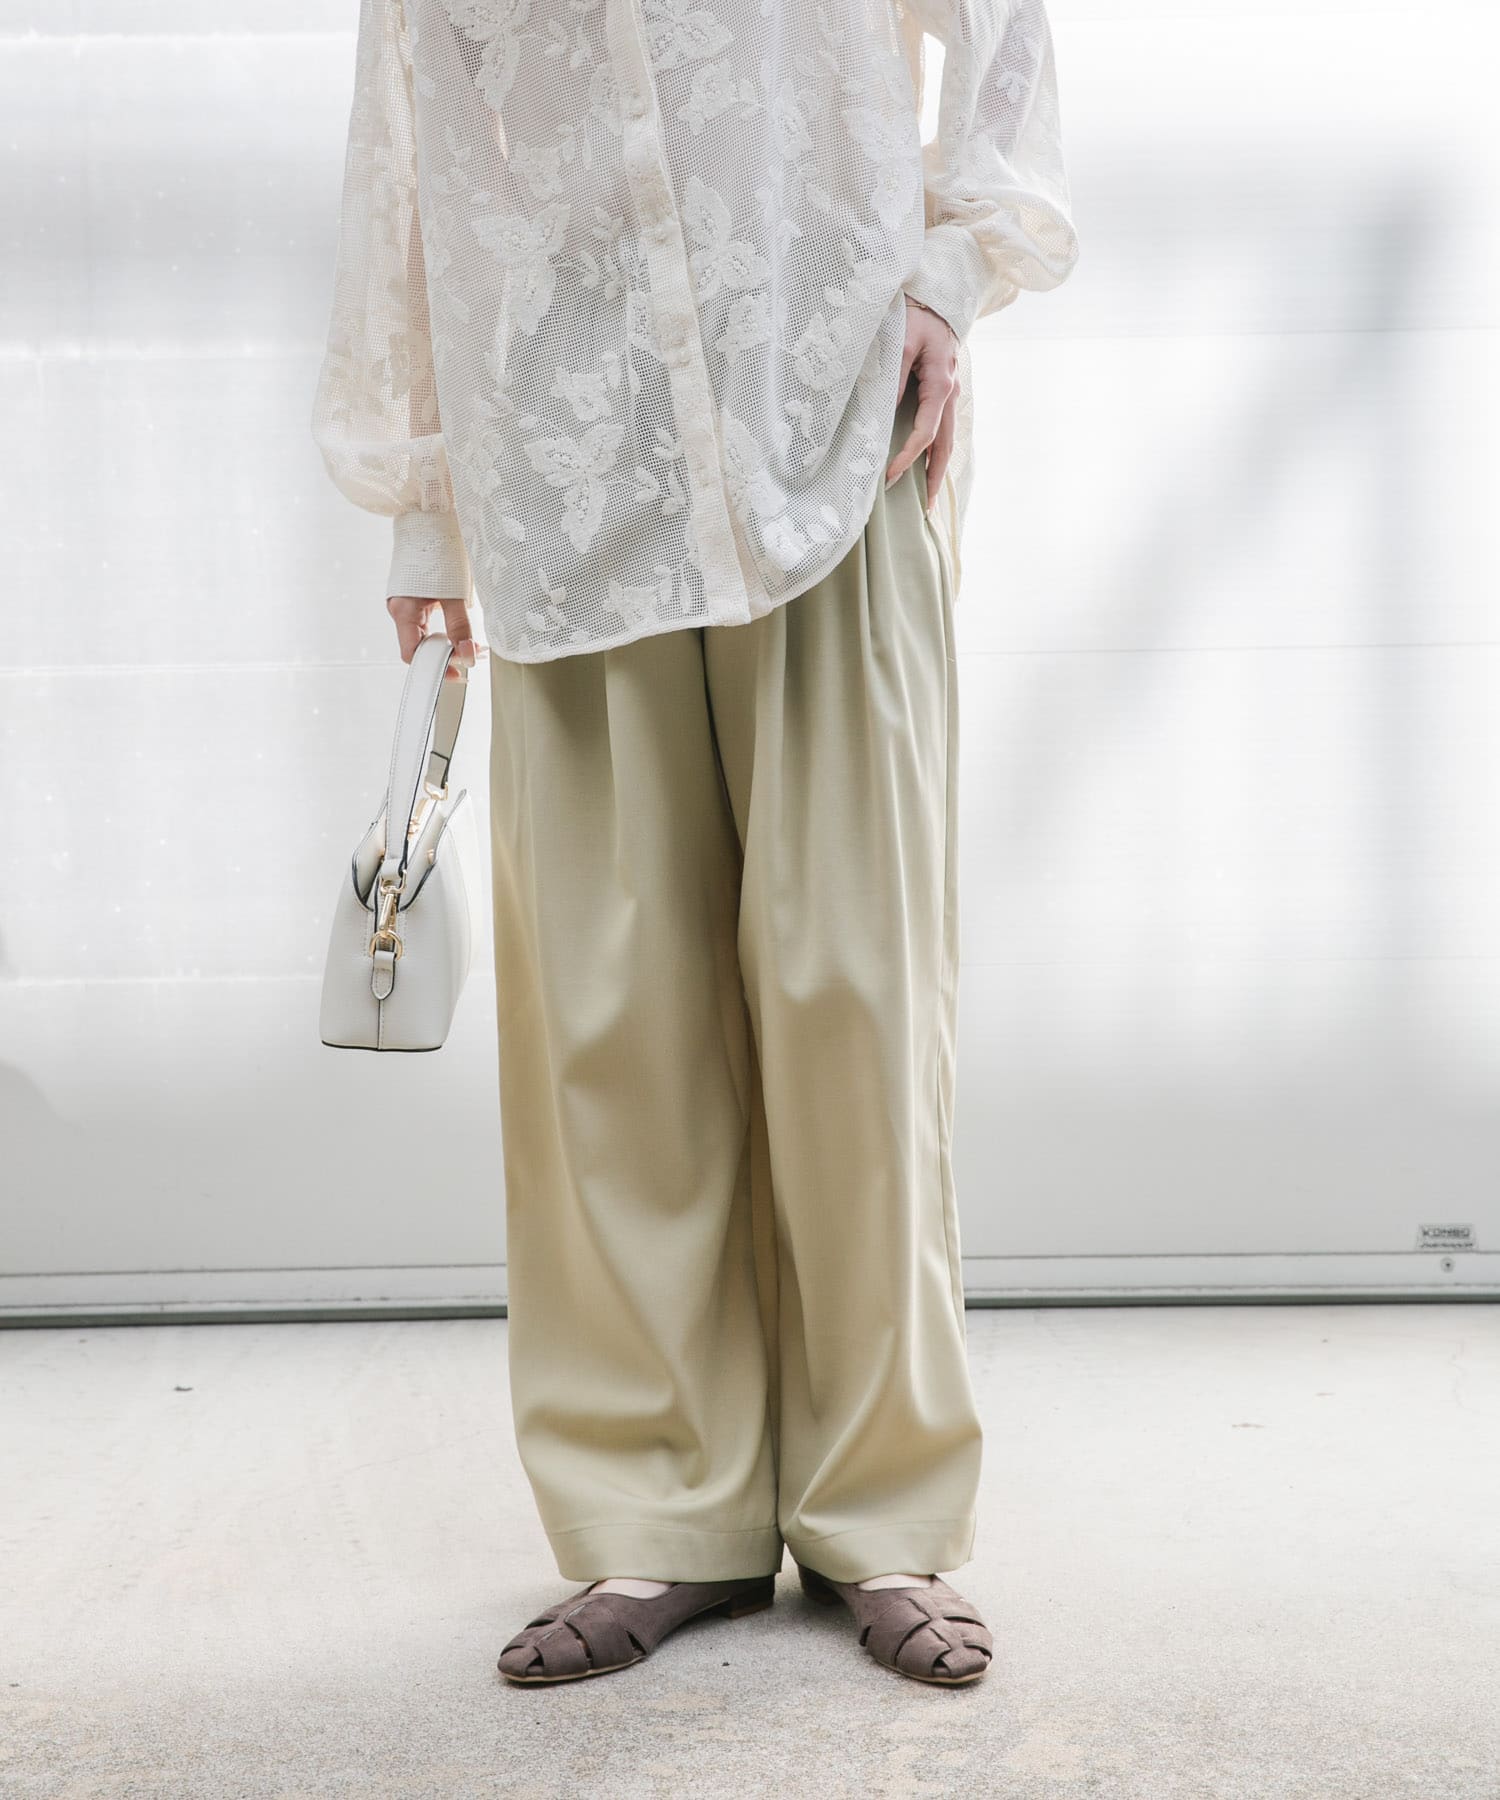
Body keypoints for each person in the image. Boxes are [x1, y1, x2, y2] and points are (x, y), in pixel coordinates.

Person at [311, 0, 1079, 1687]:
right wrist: (427, 508)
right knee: (612, 1021)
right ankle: (658, 1512)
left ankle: (883, 1514)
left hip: (828, 404)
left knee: (856, 989)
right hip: (562, 446)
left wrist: (951, 275)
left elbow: (999, 23)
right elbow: (407, 144)